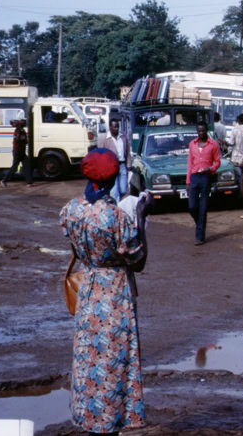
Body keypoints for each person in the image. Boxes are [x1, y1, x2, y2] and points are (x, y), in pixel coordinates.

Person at [59, 148, 153, 436]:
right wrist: (140, 216)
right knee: (114, 362)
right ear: (113, 180)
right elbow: (138, 262)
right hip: (114, 295)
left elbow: (76, 248)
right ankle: (110, 425)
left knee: (89, 360)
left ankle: (91, 421)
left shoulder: (71, 210)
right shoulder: (116, 217)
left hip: (88, 290)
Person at [186, 122, 220, 245]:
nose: (201, 133)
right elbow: (190, 163)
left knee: (203, 207)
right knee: (192, 207)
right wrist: (188, 181)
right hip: (194, 177)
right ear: (197, 131)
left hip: (205, 177)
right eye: (199, 131)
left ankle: (199, 236)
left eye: (203, 130)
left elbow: (217, 161)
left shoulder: (213, 144)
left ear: (206, 131)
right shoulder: (192, 144)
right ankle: (200, 224)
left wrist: (211, 169)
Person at [98, 118, 131, 203]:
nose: (116, 129)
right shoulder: (104, 139)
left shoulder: (123, 137)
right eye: (114, 127)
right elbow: (100, 155)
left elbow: (127, 152)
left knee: (123, 189)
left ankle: (118, 201)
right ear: (110, 127)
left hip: (122, 165)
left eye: (117, 127)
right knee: (114, 191)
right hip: (111, 167)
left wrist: (128, 164)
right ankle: (116, 206)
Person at [0, 118, 33, 188]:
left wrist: (24, 139)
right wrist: (22, 137)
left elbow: (25, 141)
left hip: (22, 152)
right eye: (24, 123)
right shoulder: (17, 130)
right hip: (17, 152)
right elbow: (17, 139)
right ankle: (3, 180)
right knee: (14, 168)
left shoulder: (22, 130)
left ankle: (29, 182)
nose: (25, 124)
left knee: (27, 165)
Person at [228, 113, 243, 184]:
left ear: (239, 121)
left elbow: (231, 143)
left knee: (238, 176)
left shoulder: (235, 130)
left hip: (235, 157)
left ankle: (240, 189)